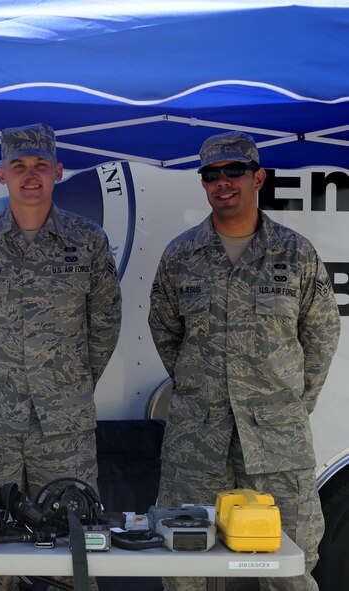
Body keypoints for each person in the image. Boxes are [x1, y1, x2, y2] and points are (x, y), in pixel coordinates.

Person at [148, 131, 340, 591]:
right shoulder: (180, 256)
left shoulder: (296, 254)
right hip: (198, 439)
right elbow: (166, 332)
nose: (223, 182)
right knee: (183, 566)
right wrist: (203, 388)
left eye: (234, 171)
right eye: (211, 175)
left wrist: (285, 403)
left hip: (277, 441)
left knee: (292, 565)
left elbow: (321, 337)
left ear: (258, 177)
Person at [0, 123, 122, 589]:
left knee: (72, 549)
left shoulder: (87, 242)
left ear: (58, 171)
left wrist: (69, 385)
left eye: (41, 165)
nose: (30, 176)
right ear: (2, 175)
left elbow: (103, 327)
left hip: (63, 427)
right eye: (18, 166)